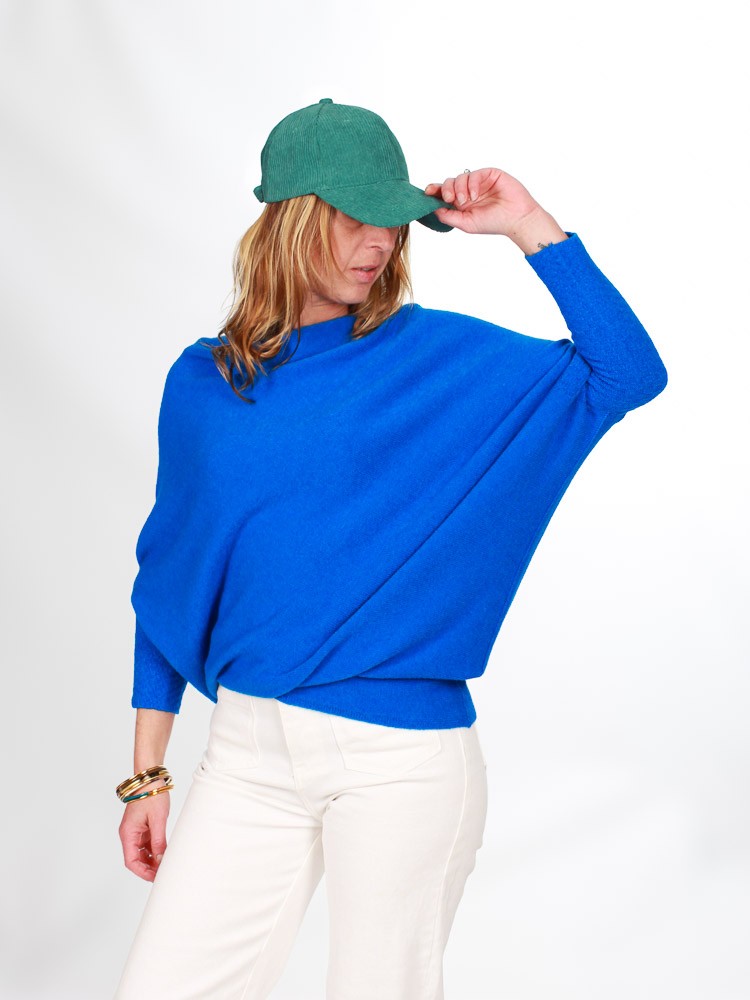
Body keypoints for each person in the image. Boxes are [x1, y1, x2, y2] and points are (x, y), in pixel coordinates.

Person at [114, 98, 668, 1000]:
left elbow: (628, 371)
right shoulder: (205, 382)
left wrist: (528, 224)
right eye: (352, 215)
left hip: (397, 762)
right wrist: (147, 775)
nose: (377, 241)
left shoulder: (436, 358)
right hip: (247, 755)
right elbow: (172, 580)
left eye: (393, 218)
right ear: (292, 217)